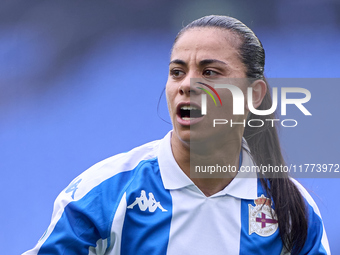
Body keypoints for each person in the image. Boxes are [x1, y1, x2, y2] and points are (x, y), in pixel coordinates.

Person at [23, 15, 330, 255]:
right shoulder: (104, 194)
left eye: (210, 72)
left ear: (254, 95)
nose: (186, 84)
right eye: (177, 72)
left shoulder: (292, 210)